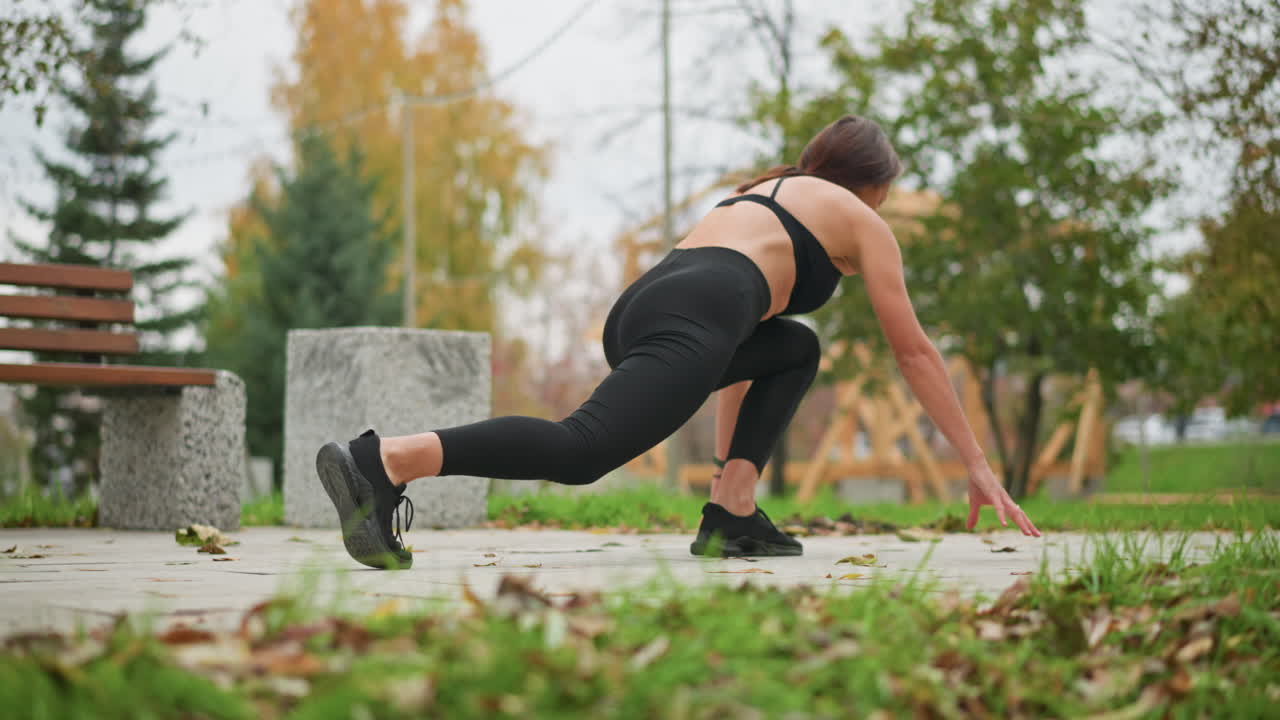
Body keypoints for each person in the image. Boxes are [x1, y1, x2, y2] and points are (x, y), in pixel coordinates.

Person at [315, 115, 1042, 570]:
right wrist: (976, 464)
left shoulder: (764, 193)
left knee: (795, 348)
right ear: (874, 183)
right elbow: (913, 349)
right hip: (703, 307)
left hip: (651, 301)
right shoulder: (860, 217)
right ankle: (388, 460)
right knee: (581, 451)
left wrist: (729, 472)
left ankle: (732, 512)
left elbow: (732, 362)